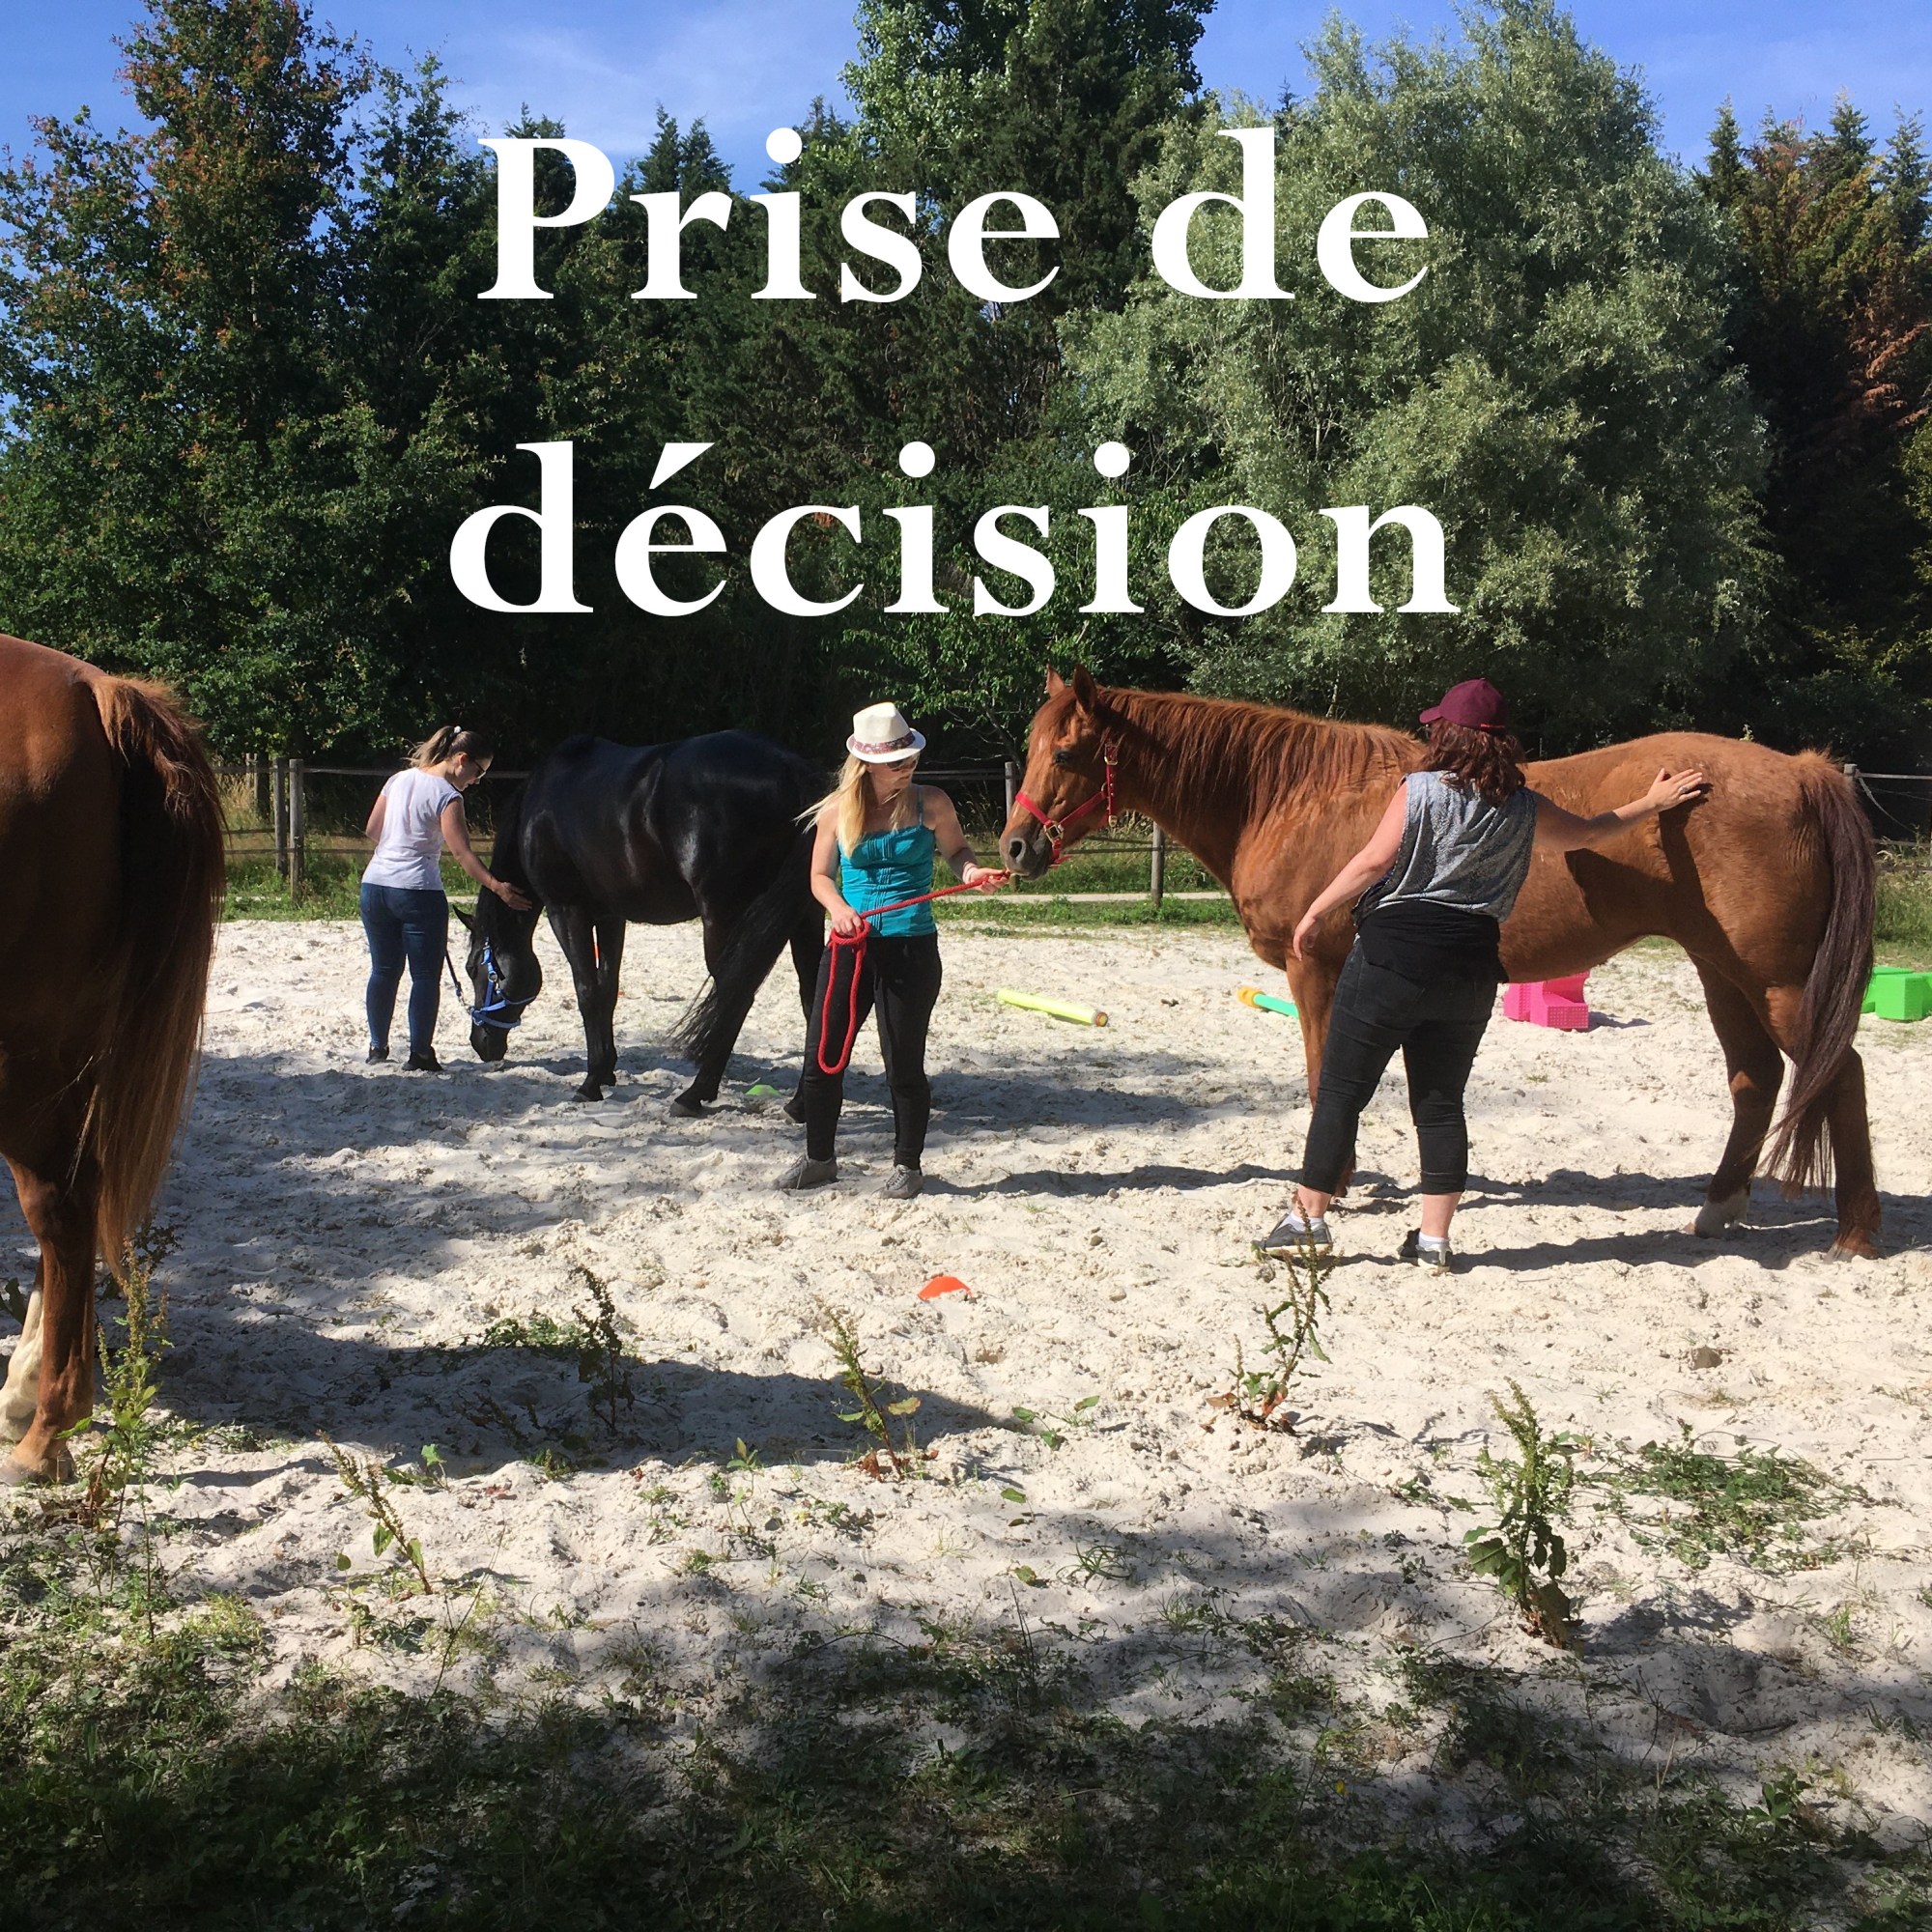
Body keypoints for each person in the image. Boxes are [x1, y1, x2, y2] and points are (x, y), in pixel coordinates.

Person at [1259, 678, 1708, 1272]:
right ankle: (1434, 1241)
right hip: (1472, 966)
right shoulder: (1525, 806)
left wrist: (1316, 910)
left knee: (1344, 1089)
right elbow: (1594, 833)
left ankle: (1307, 1220)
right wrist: (1653, 803)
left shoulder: (1419, 790)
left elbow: (1373, 861)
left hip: (1394, 953)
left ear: (1447, 734)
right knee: (1442, 1103)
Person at [779, 702, 1000, 1198]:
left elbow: (959, 854)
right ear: (868, 764)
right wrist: (838, 908)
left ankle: (908, 1166)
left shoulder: (932, 802)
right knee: (821, 1059)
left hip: (911, 948)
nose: (908, 767)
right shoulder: (837, 811)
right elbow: (819, 878)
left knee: (902, 1064)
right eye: (897, 761)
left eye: (910, 758)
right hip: (848, 949)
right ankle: (819, 1159)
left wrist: (971, 873)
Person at [360, 725, 531, 1071]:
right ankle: (420, 1052)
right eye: (478, 771)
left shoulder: (397, 780)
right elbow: (463, 854)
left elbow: (373, 830)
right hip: (417, 891)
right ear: (460, 759)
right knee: (425, 976)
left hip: (375, 885)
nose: (477, 780)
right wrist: (497, 886)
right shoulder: (447, 795)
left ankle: (377, 1047)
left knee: (383, 969)